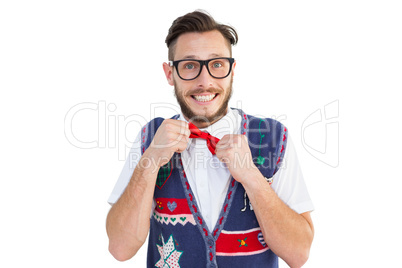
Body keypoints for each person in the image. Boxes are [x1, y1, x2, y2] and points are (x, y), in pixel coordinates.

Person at [106, 10, 314, 268]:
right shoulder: (150, 137)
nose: (205, 82)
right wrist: (150, 161)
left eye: (216, 64)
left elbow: (299, 254)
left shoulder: (273, 137)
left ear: (232, 70)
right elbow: (120, 248)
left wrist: (252, 176)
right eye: (190, 66)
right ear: (170, 74)